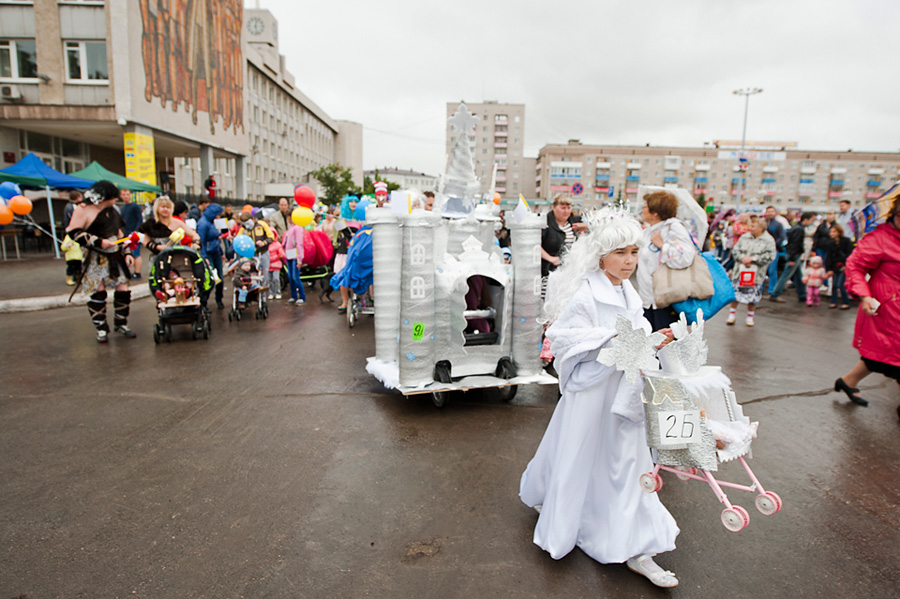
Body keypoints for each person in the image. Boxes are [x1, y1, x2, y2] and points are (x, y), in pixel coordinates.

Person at [519, 208, 679, 588]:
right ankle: (570, 513)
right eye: (621, 253)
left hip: (626, 390)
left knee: (626, 462)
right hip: (593, 392)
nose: (629, 262)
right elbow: (563, 337)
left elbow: (637, 327)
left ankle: (638, 545)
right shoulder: (586, 291)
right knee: (578, 453)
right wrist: (610, 341)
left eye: (634, 253)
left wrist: (654, 339)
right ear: (601, 255)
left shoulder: (628, 290)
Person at [834, 196, 900, 414]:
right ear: (894, 214)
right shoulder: (880, 238)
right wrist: (864, 296)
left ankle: (848, 381)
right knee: (887, 356)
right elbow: (855, 266)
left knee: (881, 358)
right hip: (888, 308)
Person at [66, 180, 136, 343]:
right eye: (113, 196)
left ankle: (121, 323)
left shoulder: (111, 210)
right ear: (105, 197)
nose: (115, 199)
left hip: (115, 255)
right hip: (94, 256)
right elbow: (73, 232)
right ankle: (101, 329)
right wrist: (98, 241)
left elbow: (120, 234)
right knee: (98, 290)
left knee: (123, 289)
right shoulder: (83, 209)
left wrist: (127, 252)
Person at [636, 190, 696, 331]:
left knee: (665, 348)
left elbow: (686, 257)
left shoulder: (673, 228)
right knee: (649, 345)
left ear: (655, 212)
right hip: (648, 300)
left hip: (666, 301)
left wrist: (662, 246)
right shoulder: (649, 231)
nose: (642, 210)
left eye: (645, 207)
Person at [726, 214, 776, 327]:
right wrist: (742, 258)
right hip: (740, 271)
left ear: (761, 228)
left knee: (754, 296)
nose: (750, 228)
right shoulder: (744, 237)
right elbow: (735, 250)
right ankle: (732, 315)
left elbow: (771, 255)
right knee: (735, 294)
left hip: (756, 273)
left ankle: (750, 317)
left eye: (753, 226)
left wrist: (754, 259)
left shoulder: (768, 240)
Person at [540, 194, 587, 297]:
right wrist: (551, 258)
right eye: (562, 208)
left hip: (570, 271)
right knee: (550, 300)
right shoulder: (545, 222)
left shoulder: (573, 222)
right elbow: (535, 245)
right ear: (554, 207)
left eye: (568, 208)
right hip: (549, 271)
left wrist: (583, 229)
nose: (566, 211)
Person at [769, 212, 816, 303]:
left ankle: (802, 294)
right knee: (786, 275)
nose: (811, 223)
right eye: (811, 220)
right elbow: (795, 245)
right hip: (795, 255)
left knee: (799, 275)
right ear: (805, 219)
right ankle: (775, 294)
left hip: (794, 254)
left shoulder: (797, 228)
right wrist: (792, 258)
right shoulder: (799, 229)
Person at [197, 202, 226, 309]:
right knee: (210, 279)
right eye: (217, 214)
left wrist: (221, 253)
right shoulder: (203, 224)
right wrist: (204, 257)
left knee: (220, 279)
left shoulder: (211, 222)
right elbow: (201, 241)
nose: (218, 217)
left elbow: (216, 239)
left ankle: (219, 299)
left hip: (216, 252)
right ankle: (203, 301)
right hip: (208, 254)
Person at [824, 223, 853, 309]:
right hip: (835, 266)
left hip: (844, 266)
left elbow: (850, 254)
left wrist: (846, 265)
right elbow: (829, 256)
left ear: (838, 232)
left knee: (841, 284)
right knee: (834, 285)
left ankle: (845, 302)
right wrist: (829, 268)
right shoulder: (831, 243)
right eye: (830, 232)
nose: (831, 234)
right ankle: (834, 301)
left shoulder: (846, 241)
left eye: (833, 232)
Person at [119, 188, 144, 280]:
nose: (126, 196)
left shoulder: (135, 206)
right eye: (124, 194)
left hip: (135, 233)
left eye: (127, 194)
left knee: (136, 252)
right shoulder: (123, 207)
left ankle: (137, 273)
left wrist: (136, 232)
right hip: (126, 233)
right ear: (120, 196)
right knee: (128, 252)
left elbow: (139, 220)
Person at [282, 218, 307, 305]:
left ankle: (302, 296)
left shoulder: (298, 228)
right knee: (290, 277)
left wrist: (300, 258)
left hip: (295, 254)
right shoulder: (291, 227)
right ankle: (293, 296)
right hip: (289, 254)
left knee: (295, 277)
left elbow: (299, 243)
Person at [763, 206, 787, 293]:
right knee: (763, 269)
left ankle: (772, 289)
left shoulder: (778, 224)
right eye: (768, 211)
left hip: (773, 250)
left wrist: (773, 245)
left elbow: (782, 237)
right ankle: (760, 289)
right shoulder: (763, 223)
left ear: (775, 213)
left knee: (772, 270)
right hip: (762, 250)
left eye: (771, 211)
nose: (769, 213)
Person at [267, 233, 285, 300]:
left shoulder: (277, 244)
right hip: (268, 265)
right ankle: (271, 293)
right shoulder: (266, 244)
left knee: (276, 279)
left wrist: (276, 257)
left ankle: (278, 292)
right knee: (269, 280)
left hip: (276, 265)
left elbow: (281, 253)